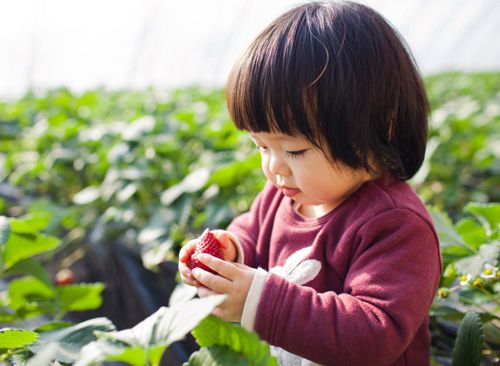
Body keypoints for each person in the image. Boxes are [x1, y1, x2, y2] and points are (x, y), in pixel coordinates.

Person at [178, 1, 441, 365]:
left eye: (296, 150)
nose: (274, 168)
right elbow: (252, 234)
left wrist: (261, 301)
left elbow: (374, 336)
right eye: (261, 146)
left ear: (381, 127)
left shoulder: (396, 226)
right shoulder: (280, 196)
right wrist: (230, 251)